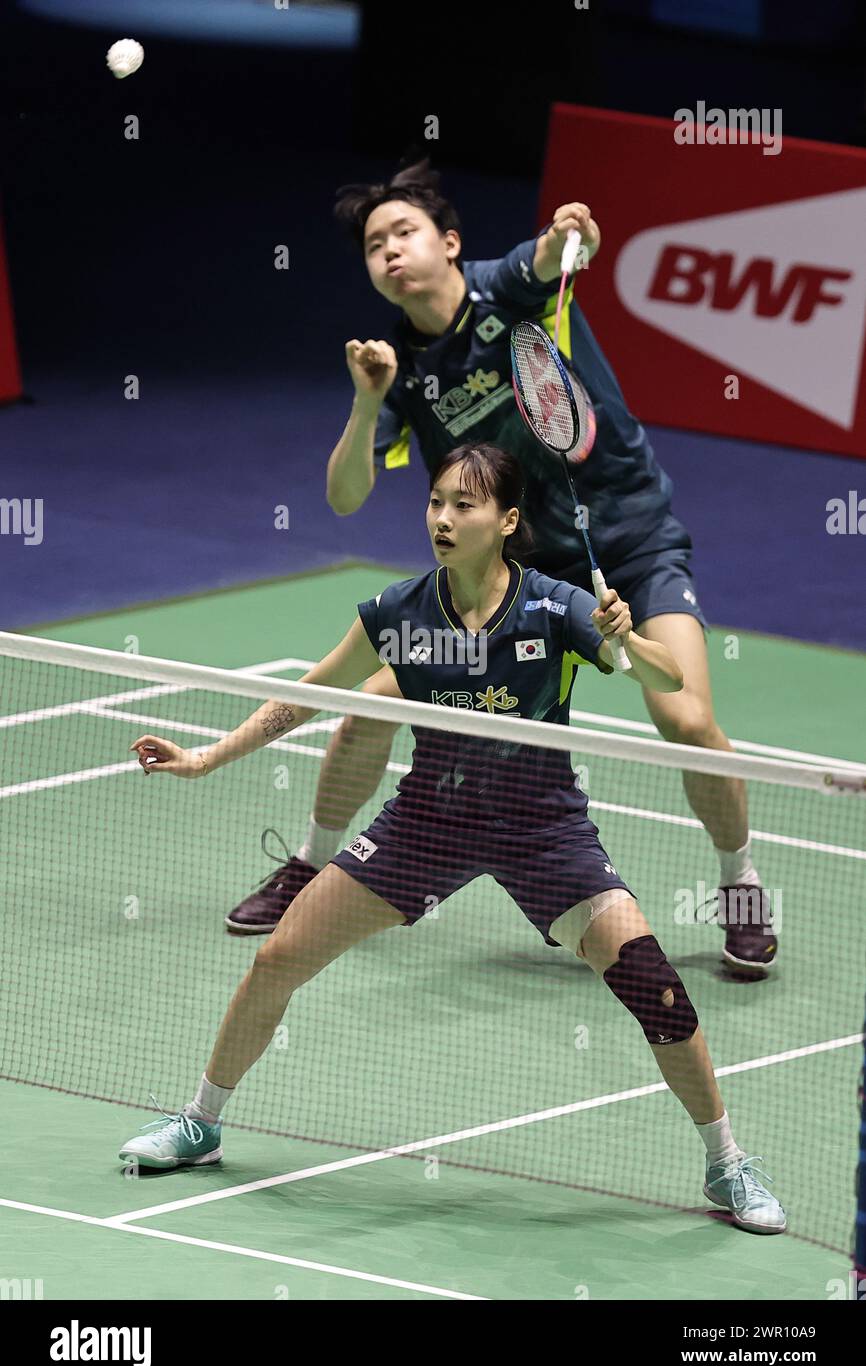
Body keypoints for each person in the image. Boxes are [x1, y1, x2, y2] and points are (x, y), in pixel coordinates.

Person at [122, 444, 786, 1235]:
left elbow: (666, 680)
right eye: (436, 502)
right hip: (428, 822)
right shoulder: (398, 612)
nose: (442, 518)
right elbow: (303, 696)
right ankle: (200, 1121)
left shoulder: (554, 607)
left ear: (506, 521)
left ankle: (727, 1163)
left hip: (543, 830)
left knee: (652, 983)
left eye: (463, 505)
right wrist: (207, 757)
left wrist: (624, 634)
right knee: (278, 959)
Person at [225, 159, 776, 978]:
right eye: (375, 245)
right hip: (518, 581)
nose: (390, 251)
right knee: (369, 707)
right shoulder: (398, 367)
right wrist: (369, 400)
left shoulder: (502, 290)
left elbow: (551, 253)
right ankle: (310, 863)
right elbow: (344, 498)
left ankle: (741, 885)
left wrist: (569, 231)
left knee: (688, 722)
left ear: (449, 243)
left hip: (631, 539)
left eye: (404, 232)